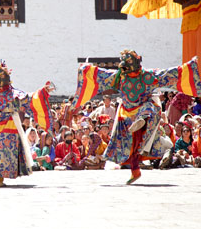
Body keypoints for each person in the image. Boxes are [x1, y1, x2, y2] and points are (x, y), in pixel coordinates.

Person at [71, 50, 201, 184]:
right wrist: (86, 69)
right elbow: (102, 75)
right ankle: (135, 171)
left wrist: (189, 66)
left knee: (148, 110)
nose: (124, 66)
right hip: (126, 114)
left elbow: (169, 74)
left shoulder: (147, 76)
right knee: (131, 146)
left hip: (144, 108)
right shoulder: (120, 76)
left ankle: (142, 119)